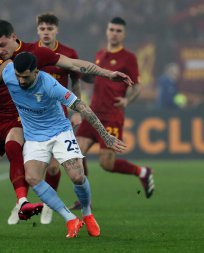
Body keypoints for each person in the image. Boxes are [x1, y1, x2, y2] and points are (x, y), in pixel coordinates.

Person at [0, 20, 132, 236]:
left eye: (2, 45)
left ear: (13, 37)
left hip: (41, 124)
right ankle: (65, 219)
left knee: (67, 172)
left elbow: (76, 67)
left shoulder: (40, 61)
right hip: (15, 125)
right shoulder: (6, 64)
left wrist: (108, 74)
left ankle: (74, 211)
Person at [3, 52, 127, 238]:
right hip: (35, 137)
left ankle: (87, 213)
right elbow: (0, 69)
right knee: (32, 178)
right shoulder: (8, 74)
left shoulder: (50, 85)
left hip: (60, 132)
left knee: (77, 177)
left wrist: (106, 136)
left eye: (25, 77)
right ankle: (70, 218)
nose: (20, 81)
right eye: (18, 76)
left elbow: (82, 107)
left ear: (36, 71)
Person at [71, 17, 154, 210]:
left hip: (111, 116)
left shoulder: (129, 57)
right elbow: (98, 79)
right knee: (76, 155)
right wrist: (82, 75)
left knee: (107, 164)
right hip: (92, 113)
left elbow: (137, 87)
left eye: (118, 30)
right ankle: (85, 199)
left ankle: (142, 172)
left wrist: (127, 100)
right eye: (111, 29)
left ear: (123, 34)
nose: (114, 33)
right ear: (107, 31)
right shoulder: (100, 54)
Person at [7, 13, 82, 225]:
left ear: (56, 30)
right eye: (42, 29)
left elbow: (75, 83)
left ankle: (50, 205)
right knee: (25, 157)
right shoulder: (29, 53)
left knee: (54, 167)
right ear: (37, 30)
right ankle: (23, 200)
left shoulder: (68, 53)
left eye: (50, 29)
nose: (46, 32)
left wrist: (76, 111)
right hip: (30, 115)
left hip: (58, 117)